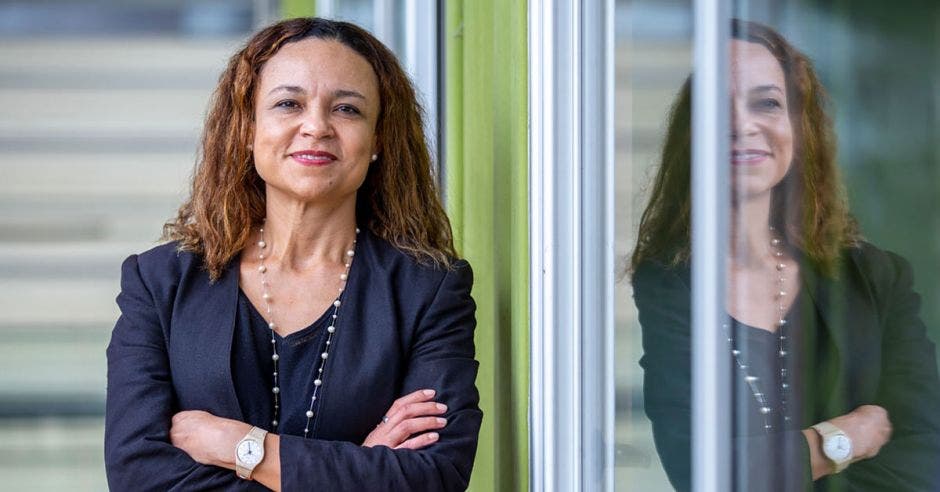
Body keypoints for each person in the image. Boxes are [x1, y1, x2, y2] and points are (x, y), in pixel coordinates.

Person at [105, 17, 481, 491]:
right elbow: (137, 475)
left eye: (346, 109)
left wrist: (239, 445)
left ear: (378, 138)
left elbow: (435, 476)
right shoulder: (159, 284)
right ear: (248, 127)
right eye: (289, 103)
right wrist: (358, 468)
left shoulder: (428, 291)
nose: (316, 126)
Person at [630, 19, 940, 491]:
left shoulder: (876, 277)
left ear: (800, 127)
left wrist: (768, 464)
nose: (741, 123)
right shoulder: (668, 283)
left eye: (767, 103)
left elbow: (921, 461)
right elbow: (700, 470)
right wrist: (843, 438)